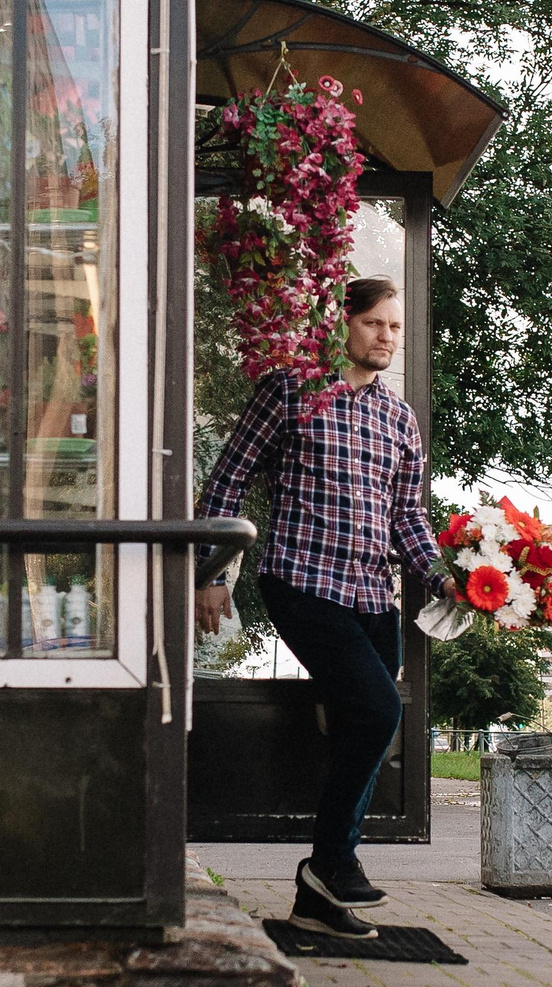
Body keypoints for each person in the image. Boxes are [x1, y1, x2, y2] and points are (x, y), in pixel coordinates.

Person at [197, 277, 442, 938]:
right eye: (374, 324)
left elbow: (407, 519)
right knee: (377, 707)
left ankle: (318, 899)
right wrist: (210, 571)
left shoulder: (400, 419)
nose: (386, 336)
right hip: (301, 579)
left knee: (365, 726)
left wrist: (445, 578)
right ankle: (333, 862)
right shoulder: (289, 390)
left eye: (395, 326)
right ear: (344, 325)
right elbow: (230, 474)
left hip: (371, 595)